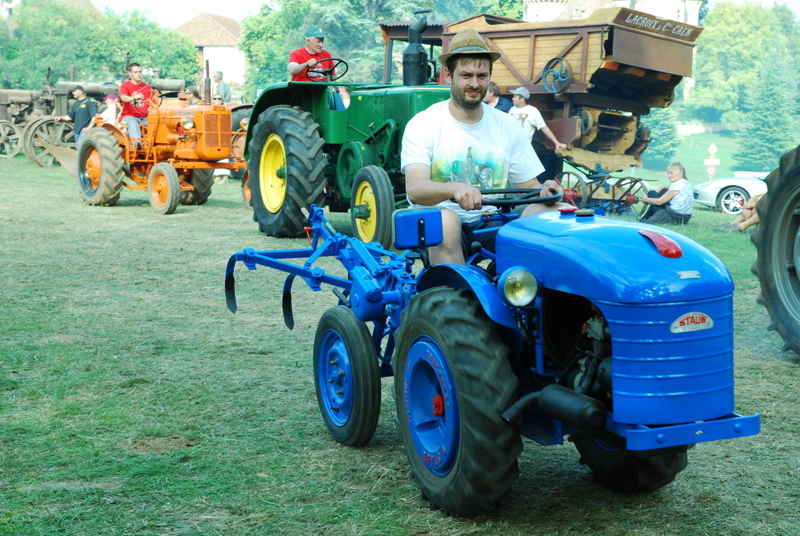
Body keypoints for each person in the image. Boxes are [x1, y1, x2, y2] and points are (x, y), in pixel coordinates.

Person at [401, 28, 568, 265]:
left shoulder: (507, 125)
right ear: (448, 75)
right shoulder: (424, 123)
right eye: (466, 75)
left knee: (557, 214)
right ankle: (455, 293)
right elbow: (415, 189)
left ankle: (532, 292)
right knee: (446, 220)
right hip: (439, 219)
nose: (474, 83)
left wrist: (546, 191)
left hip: (492, 220)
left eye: (481, 76)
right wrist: (454, 189)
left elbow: (528, 188)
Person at [119, 63, 152, 143]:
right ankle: (137, 145)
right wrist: (133, 98)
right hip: (128, 116)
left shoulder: (147, 87)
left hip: (144, 117)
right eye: (135, 72)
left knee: (157, 122)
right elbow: (123, 97)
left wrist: (151, 110)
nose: (138, 74)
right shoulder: (125, 85)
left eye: (140, 72)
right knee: (133, 122)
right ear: (130, 73)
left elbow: (151, 104)